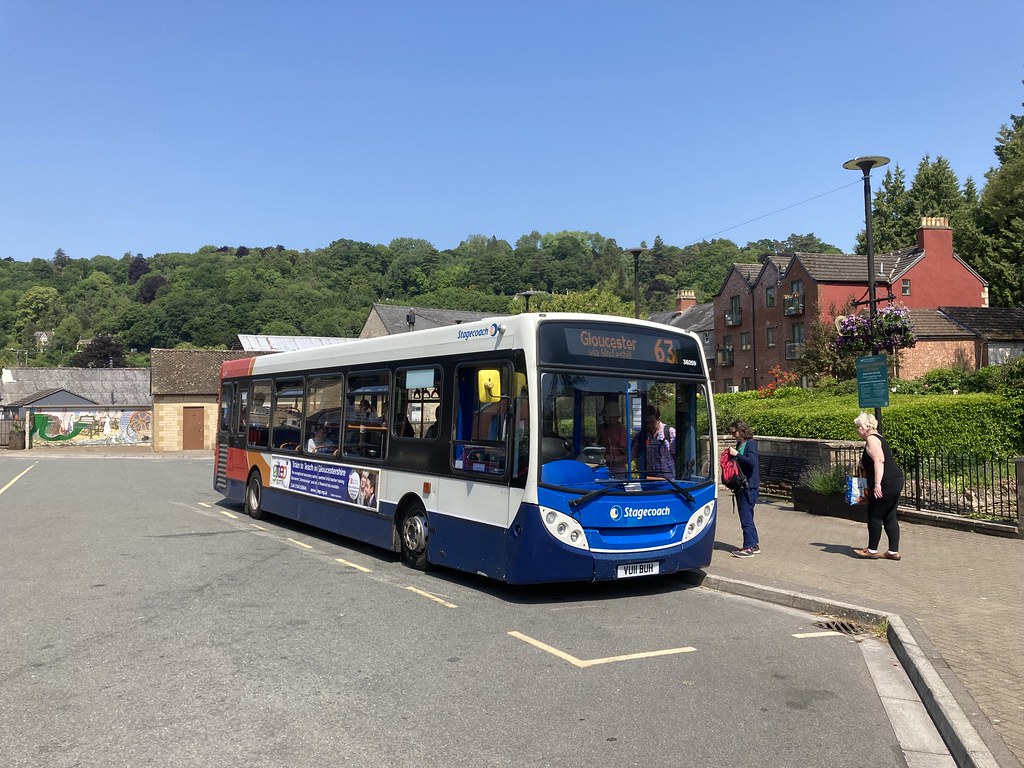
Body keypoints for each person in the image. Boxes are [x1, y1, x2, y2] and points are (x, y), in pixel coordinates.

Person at [853, 412, 905, 561]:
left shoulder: (871, 439)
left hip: (885, 483)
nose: (857, 430)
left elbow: (879, 460)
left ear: (865, 427)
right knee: (890, 516)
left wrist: (877, 484)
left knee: (875, 515)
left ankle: (872, 550)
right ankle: (893, 551)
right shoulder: (879, 437)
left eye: (858, 427)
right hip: (895, 480)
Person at [728, 419, 761, 558]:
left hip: (748, 486)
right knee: (748, 515)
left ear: (741, 430)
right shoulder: (740, 443)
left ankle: (747, 548)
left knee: (746, 516)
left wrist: (737, 455)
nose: (733, 435)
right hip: (741, 485)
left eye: (734, 431)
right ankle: (754, 544)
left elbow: (752, 462)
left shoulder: (750, 443)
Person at [633, 405, 677, 479]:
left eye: (652, 422)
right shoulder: (641, 436)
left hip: (668, 480)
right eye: (646, 423)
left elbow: (676, 456)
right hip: (647, 479)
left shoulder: (669, 432)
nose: (649, 425)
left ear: (658, 419)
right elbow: (632, 454)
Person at [598, 402, 628, 476]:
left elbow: (627, 455)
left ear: (617, 417)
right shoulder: (602, 428)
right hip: (602, 466)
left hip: (617, 469)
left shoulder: (621, 430)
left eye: (610, 417)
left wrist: (613, 458)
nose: (607, 419)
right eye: (605, 417)